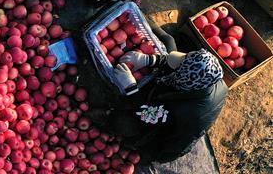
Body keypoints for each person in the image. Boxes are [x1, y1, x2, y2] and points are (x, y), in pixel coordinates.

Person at [98, 37, 228, 162]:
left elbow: (147, 115)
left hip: (163, 137)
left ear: (183, 80)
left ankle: (139, 146)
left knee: (121, 122)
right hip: (178, 102)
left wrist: (130, 87)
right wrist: (148, 60)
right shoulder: (212, 78)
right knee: (168, 40)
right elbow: (184, 65)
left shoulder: (182, 111)